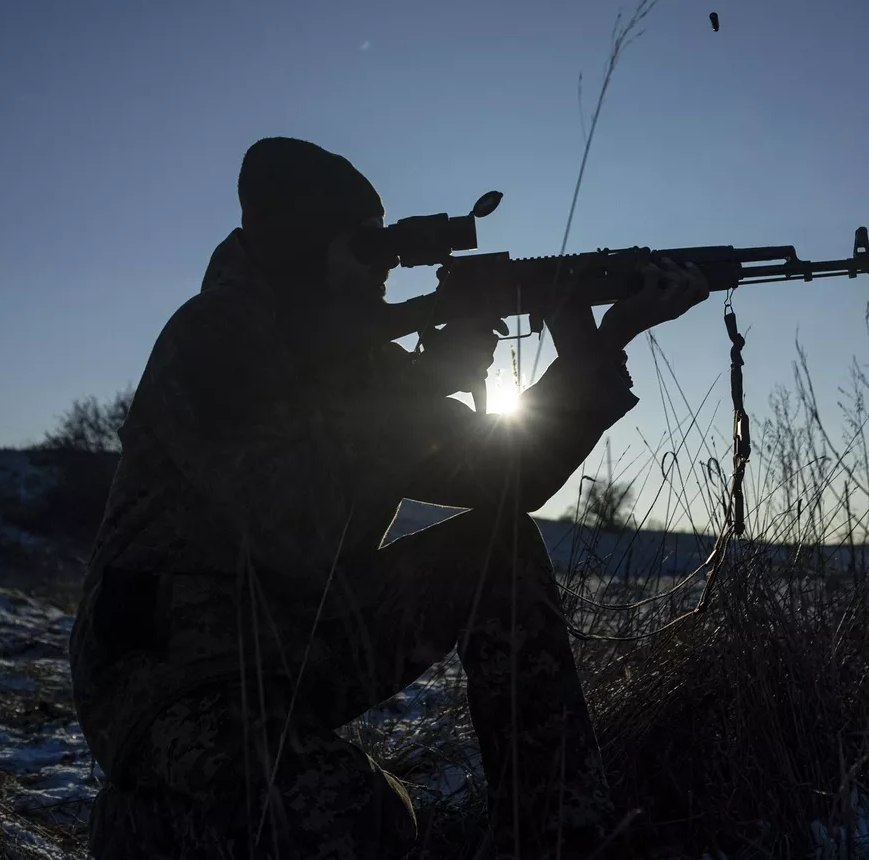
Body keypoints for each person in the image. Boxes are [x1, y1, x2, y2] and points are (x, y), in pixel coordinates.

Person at [69, 137, 709, 859]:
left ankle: (559, 836)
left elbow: (502, 483)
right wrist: (422, 381)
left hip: (293, 644)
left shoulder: (368, 362)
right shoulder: (211, 340)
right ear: (300, 247)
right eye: (366, 249)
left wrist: (599, 347)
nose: (386, 271)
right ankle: (143, 829)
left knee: (491, 538)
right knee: (363, 823)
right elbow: (291, 528)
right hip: (169, 678)